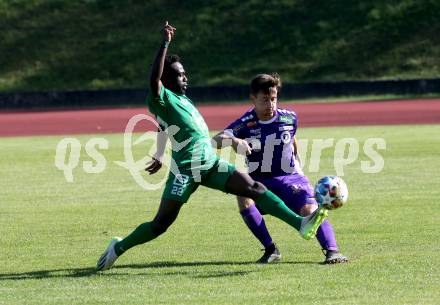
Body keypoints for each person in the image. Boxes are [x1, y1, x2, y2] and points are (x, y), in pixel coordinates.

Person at [96, 22, 328, 271]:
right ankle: (118, 247)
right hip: (186, 170)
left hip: (209, 163)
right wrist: (164, 43)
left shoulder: (182, 100)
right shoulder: (159, 96)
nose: (185, 77)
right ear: (165, 78)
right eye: (179, 74)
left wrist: (160, 152)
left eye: (184, 73)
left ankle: (301, 223)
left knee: (253, 187)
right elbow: (154, 79)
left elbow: (164, 126)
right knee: (160, 224)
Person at [212, 73, 348, 264]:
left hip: (290, 178)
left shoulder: (290, 118)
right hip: (260, 182)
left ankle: (332, 251)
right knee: (243, 196)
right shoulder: (245, 123)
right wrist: (235, 140)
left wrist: (299, 165)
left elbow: (292, 140)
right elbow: (215, 141)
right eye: (265, 100)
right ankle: (271, 250)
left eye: (273, 98)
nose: (270, 104)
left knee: (310, 208)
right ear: (253, 98)